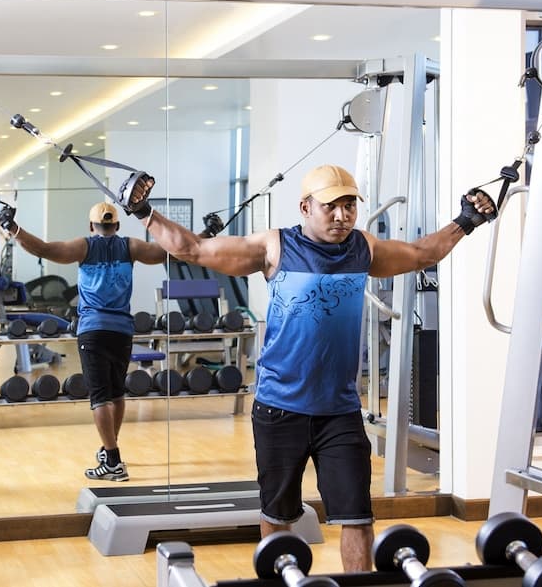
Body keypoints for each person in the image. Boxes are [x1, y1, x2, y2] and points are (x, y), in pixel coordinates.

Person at [119, 164, 496, 571]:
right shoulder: (274, 247)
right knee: (277, 514)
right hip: (280, 409)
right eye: (331, 206)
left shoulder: (363, 248)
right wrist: (144, 213)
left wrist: (466, 221)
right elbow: (194, 249)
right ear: (305, 207)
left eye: (349, 206)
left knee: (358, 517)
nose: (342, 216)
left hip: (340, 412)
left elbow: (422, 254)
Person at [0, 201, 166, 481]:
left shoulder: (84, 247)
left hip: (93, 329)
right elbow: (168, 252)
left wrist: (12, 228)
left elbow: (43, 249)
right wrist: (206, 235)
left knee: (100, 398)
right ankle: (109, 449)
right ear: (117, 225)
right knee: (116, 394)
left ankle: (113, 461)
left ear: (91, 226)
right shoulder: (131, 247)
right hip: (122, 330)